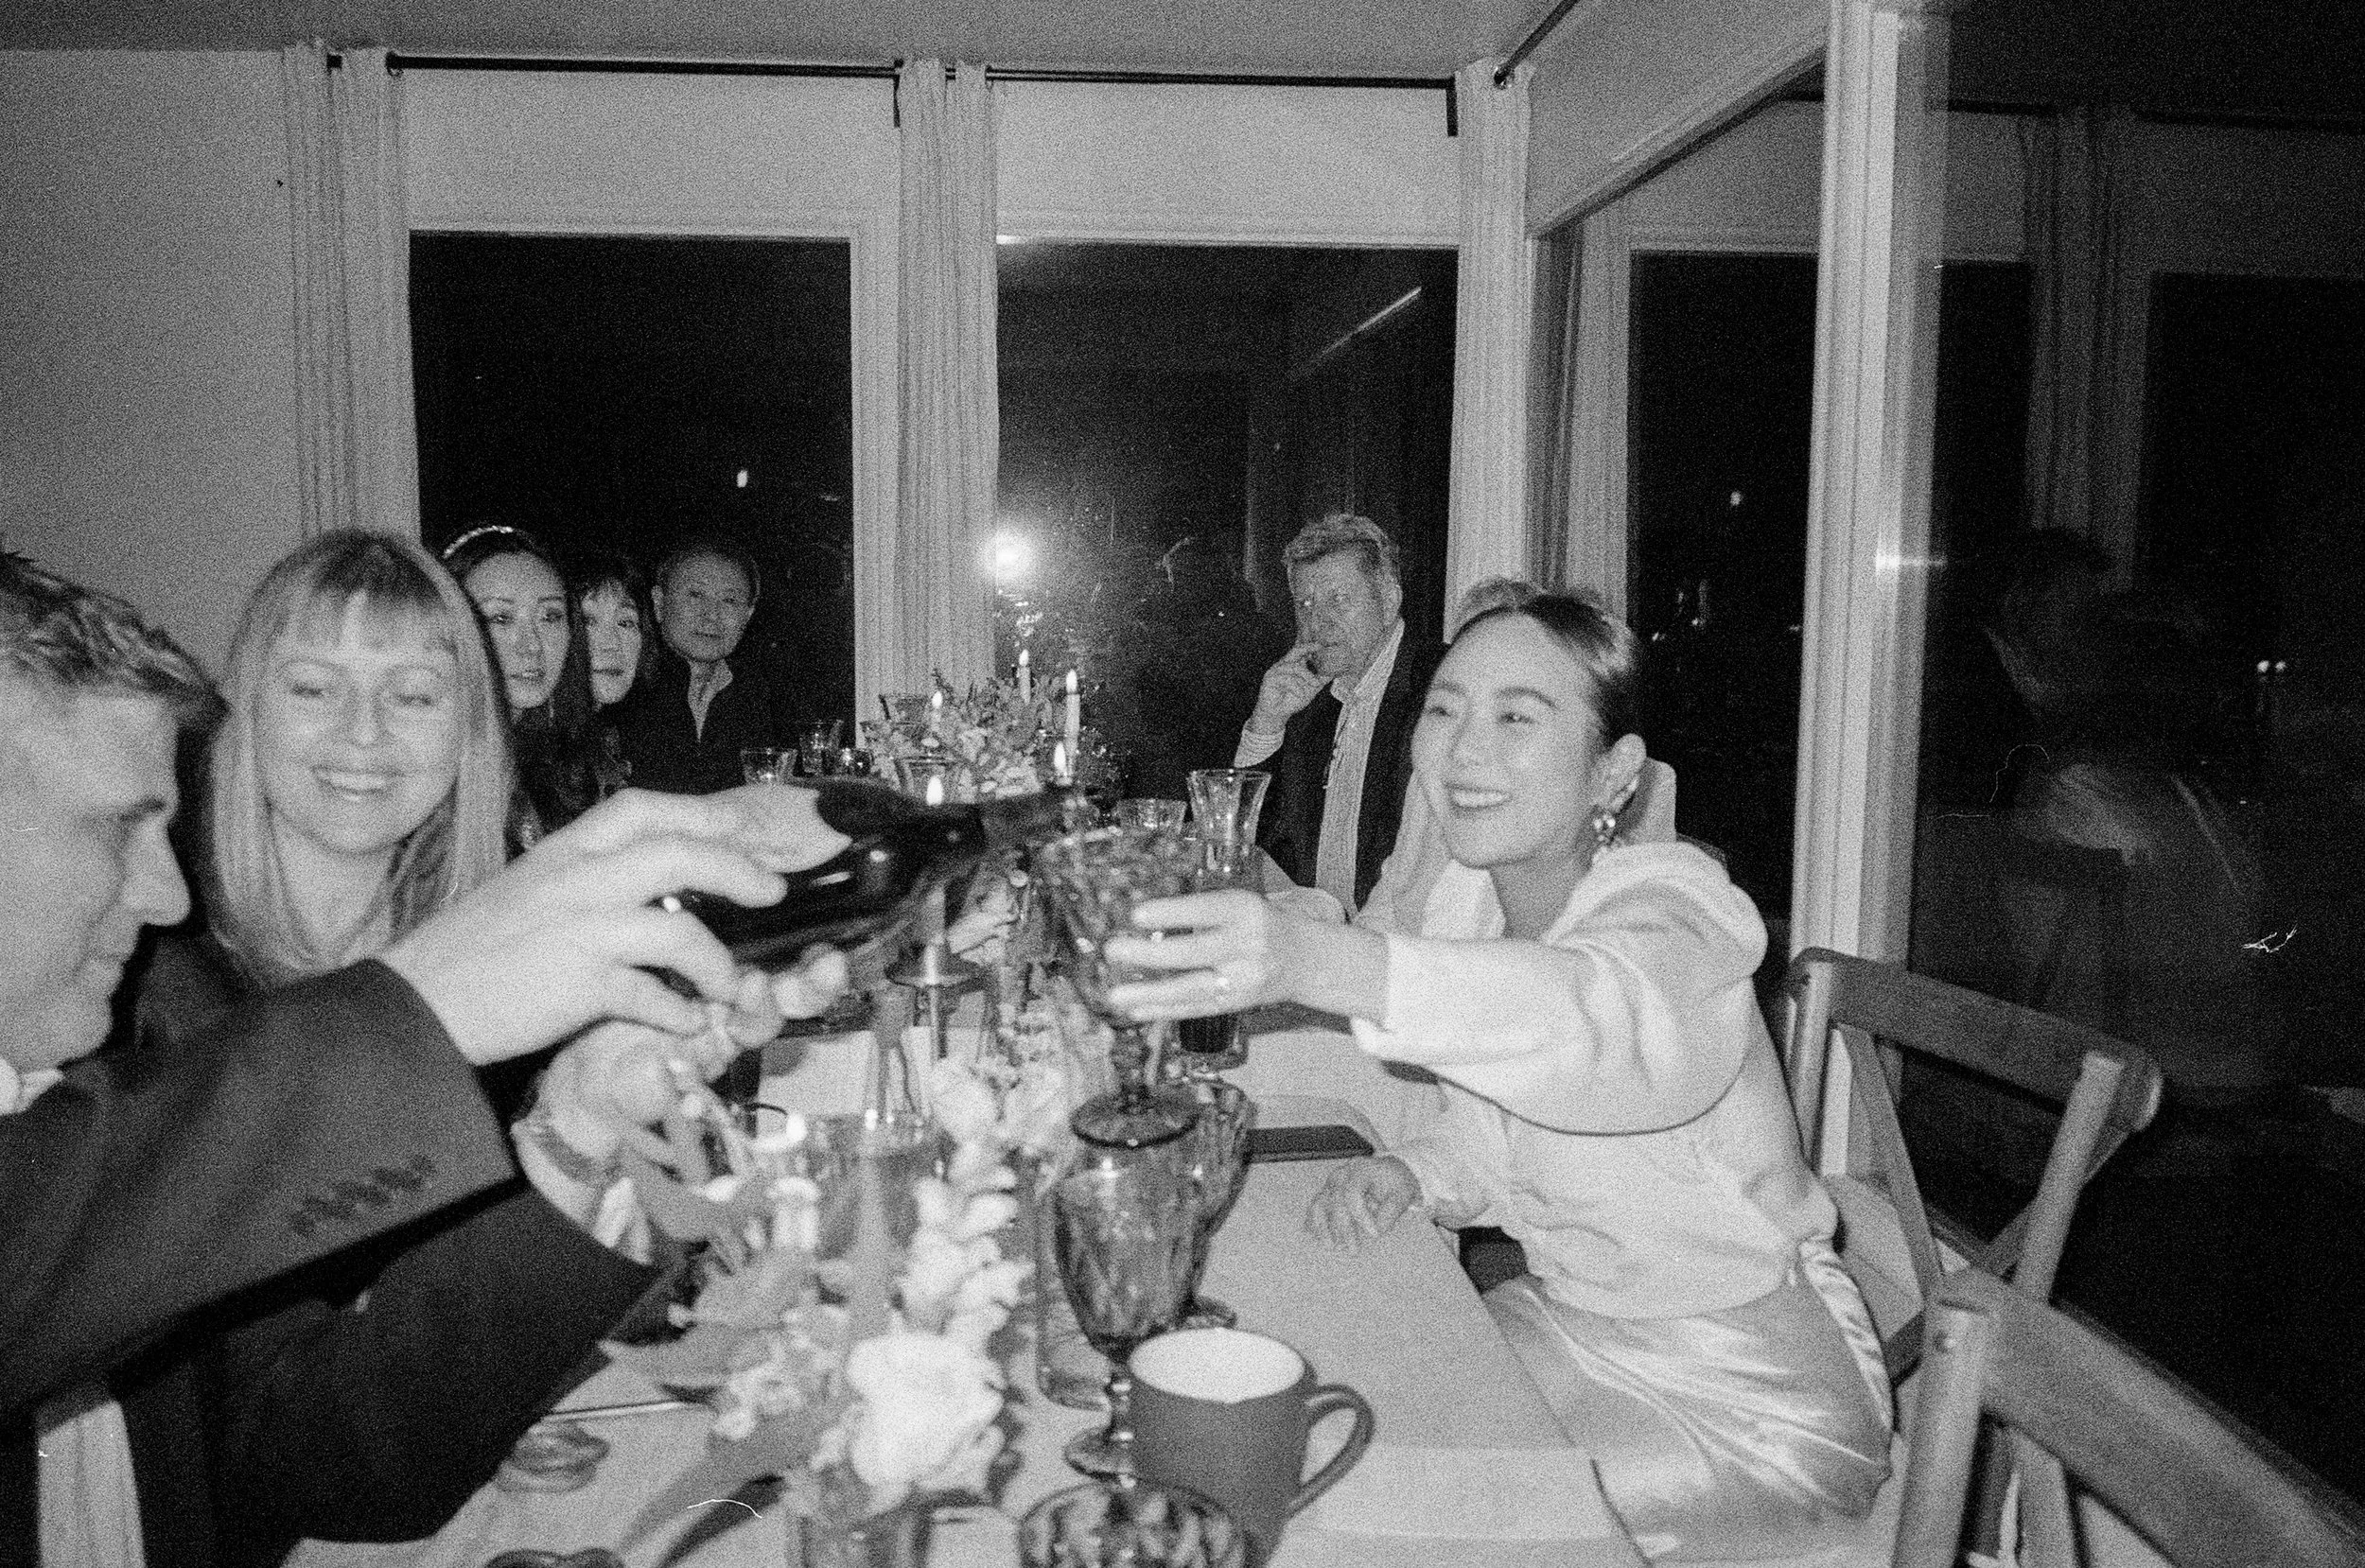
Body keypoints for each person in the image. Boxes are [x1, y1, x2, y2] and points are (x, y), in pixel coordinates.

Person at [0, 549, 850, 1562]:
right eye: (313, 687)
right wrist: (427, 1004)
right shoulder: (147, 1012)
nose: (165, 896)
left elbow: (322, 1449)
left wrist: (578, 1124)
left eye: (412, 692)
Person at [1116, 585, 1891, 1559]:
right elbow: (1497, 1131)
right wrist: (1419, 1172)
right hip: (1565, 1325)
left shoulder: (1681, 913)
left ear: (1614, 773)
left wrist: (1311, 959)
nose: (1464, 748)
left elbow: (1585, 1023)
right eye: (1443, 708)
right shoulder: (1474, 903)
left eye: (1517, 716)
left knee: (1378, 1512)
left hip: (1745, 1393)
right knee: (1324, 1402)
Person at [1235, 514, 1442, 914]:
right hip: (1319, 948)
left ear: (1389, 599)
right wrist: (1265, 726)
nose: (1318, 621)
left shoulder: (1437, 691)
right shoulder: (1309, 701)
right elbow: (1251, 844)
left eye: (1338, 599)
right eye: (1305, 603)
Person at [441, 525, 604, 836]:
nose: (531, 644)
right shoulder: (430, 769)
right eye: (501, 619)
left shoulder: (560, 758)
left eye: (550, 617)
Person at [616, 538, 797, 795]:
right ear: (659, 602)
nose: (711, 615)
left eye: (729, 601)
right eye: (695, 595)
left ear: (748, 614)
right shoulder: (622, 687)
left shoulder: (760, 695)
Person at [574, 552, 659, 795]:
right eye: (589, 621)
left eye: (625, 623)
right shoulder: (524, 749)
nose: (612, 643)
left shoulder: (612, 741)